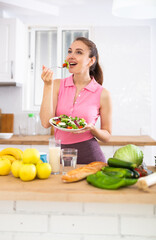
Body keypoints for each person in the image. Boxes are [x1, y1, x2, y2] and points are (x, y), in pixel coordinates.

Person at [40, 37, 112, 164]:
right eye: (70, 51)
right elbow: (46, 123)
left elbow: (107, 135)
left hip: (90, 155)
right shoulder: (56, 84)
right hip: (59, 153)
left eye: (78, 52)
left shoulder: (103, 93)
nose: (71, 56)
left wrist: (93, 129)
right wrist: (47, 85)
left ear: (91, 60)